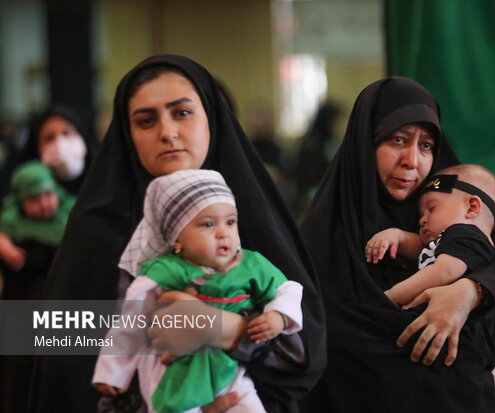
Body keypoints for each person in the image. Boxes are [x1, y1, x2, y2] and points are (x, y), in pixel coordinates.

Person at [30, 55, 325, 413]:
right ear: (128, 134)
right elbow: (58, 352)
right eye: (146, 120)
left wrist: (224, 328)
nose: (167, 132)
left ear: (211, 119)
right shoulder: (96, 227)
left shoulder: (252, 216)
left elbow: (308, 351)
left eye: (182, 113)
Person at [299, 77, 495, 412]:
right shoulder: (324, 234)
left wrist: (467, 293)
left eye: (426, 146)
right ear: (365, 142)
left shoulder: (447, 210)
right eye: (398, 139)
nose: (412, 161)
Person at [93, 169, 303, 412]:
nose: (223, 232)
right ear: (176, 239)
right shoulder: (166, 272)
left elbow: (288, 289)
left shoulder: (251, 264)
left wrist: (279, 316)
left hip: (230, 372)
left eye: (230, 222)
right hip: (178, 373)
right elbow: (132, 322)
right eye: (207, 224)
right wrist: (113, 372)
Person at [366, 164, 495, 307]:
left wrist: (390, 296)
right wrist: (397, 236)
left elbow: (443, 272)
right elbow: (422, 248)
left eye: (432, 208)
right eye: (421, 214)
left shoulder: (469, 237)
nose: (422, 220)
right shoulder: (452, 242)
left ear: (472, 207)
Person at [0, 160, 75, 413]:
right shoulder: (8, 228)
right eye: (34, 198)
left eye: (48, 194)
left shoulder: (74, 220)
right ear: (20, 201)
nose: (44, 203)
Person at [18, 105, 97, 196]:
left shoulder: (106, 184)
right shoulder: (32, 201)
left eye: (66, 133)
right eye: (49, 138)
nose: (60, 144)